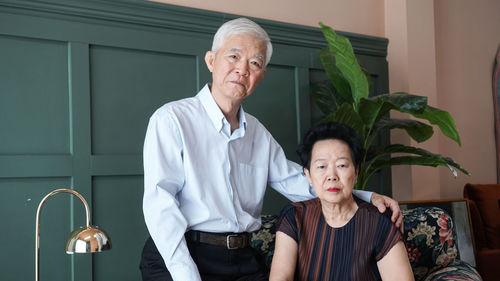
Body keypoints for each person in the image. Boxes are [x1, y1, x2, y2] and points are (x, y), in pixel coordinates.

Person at [140, 17, 402, 281]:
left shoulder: (258, 134)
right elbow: (160, 204)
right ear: (211, 60)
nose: (242, 69)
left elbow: (301, 183)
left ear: (260, 76)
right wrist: (187, 275)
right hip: (180, 256)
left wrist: (365, 197)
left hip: (240, 259)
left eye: (255, 63)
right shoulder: (171, 120)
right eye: (233, 56)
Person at [269, 121, 414, 281]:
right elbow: (281, 277)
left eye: (342, 165)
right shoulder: (294, 217)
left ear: (356, 172)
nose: (332, 175)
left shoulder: (380, 221)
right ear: (308, 175)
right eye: (321, 166)